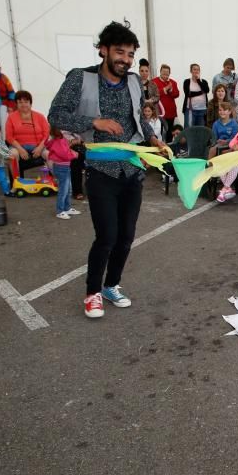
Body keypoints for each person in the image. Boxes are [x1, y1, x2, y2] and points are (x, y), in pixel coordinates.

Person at [48, 20, 158, 319]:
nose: (126, 59)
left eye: (131, 54)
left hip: (132, 170)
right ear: (103, 50)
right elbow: (56, 115)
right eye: (120, 52)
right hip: (100, 170)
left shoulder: (135, 81)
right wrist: (93, 122)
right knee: (107, 236)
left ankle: (112, 285)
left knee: (126, 236)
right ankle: (92, 292)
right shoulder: (79, 78)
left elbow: (139, 118)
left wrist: (153, 138)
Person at [4, 90, 50, 178]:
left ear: (30, 103)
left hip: (39, 146)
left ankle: (55, 181)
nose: (23, 104)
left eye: (26, 101)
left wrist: (40, 148)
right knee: (12, 155)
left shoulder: (40, 116)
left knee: (49, 155)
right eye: (20, 102)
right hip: (18, 146)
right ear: (16, 104)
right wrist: (20, 149)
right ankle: (16, 182)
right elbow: (9, 136)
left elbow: (46, 134)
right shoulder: (11, 117)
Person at [45, 126, 80, 220]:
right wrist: (73, 154)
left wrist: (71, 151)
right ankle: (60, 211)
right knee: (64, 190)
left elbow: (66, 150)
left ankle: (67, 208)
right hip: (62, 168)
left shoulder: (58, 139)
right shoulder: (58, 141)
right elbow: (64, 154)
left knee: (68, 189)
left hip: (63, 167)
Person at [181, 64, 210, 128]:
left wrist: (198, 81)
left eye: (198, 69)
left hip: (202, 110)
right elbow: (188, 94)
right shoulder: (187, 81)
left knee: (201, 130)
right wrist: (201, 92)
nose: (196, 71)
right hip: (190, 110)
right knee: (189, 129)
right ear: (191, 71)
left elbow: (207, 90)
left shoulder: (203, 81)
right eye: (194, 69)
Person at [153, 64, 179, 130]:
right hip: (159, 112)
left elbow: (177, 94)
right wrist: (165, 88)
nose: (165, 74)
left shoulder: (173, 82)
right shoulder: (154, 81)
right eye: (163, 72)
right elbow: (153, 94)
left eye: (167, 73)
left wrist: (171, 90)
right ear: (160, 72)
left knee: (170, 132)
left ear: (169, 73)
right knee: (159, 131)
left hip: (171, 111)